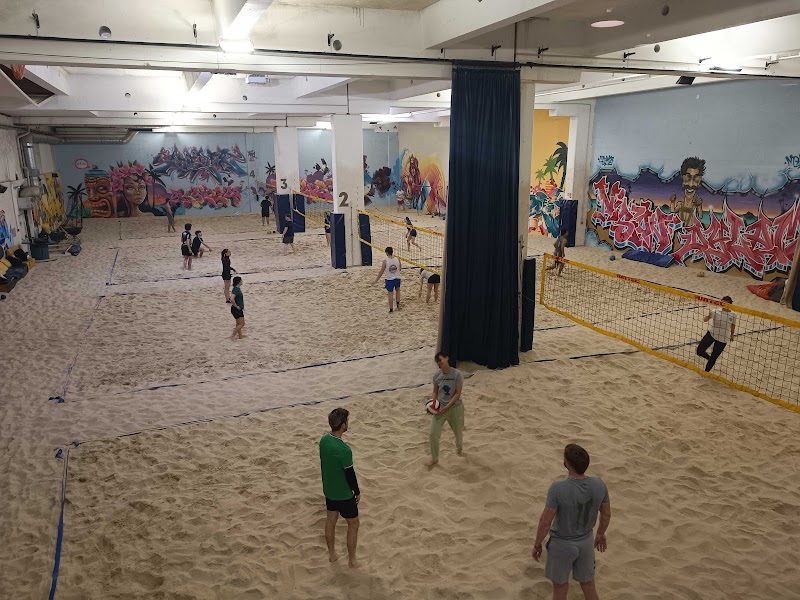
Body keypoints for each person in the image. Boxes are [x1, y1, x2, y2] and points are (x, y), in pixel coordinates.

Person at [532, 444, 611, 600]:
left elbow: (545, 522)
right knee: (588, 585)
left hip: (562, 544)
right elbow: (606, 514)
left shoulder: (557, 488)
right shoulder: (599, 484)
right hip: (586, 543)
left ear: (566, 464)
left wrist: (537, 544)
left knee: (560, 588)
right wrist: (600, 533)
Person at [319, 407, 361, 568]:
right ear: (343, 425)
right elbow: (350, 475)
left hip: (329, 491)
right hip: (344, 495)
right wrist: (357, 492)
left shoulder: (324, 440)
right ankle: (352, 560)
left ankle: (332, 554)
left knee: (330, 521)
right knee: (354, 524)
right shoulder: (344, 450)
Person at [426, 351, 464, 468]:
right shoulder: (437, 376)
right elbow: (435, 391)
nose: (439, 363)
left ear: (447, 358)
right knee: (433, 433)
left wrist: (448, 407)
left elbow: (457, 393)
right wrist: (433, 403)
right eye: (437, 362)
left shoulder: (457, 374)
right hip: (440, 409)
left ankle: (459, 450)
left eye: (440, 360)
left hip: (455, 408)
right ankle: (434, 459)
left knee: (458, 433)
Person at [696, 296, 736, 372]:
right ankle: (710, 359)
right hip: (712, 333)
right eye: (721, 303)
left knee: (714, 357)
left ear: (729, 304)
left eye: (724, 303)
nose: (722, 304)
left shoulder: (733, 314)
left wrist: (732, 334)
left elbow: (733, 325)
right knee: (699, 351)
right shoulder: (715, 311)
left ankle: (706, 372)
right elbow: (705, 320)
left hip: (723, 338)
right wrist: (708, 316)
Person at [372, 246, 401, 313]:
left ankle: (391, 309)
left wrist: (376, 280)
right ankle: (398, 305)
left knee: (390, 294)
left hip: (390, 279)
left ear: (387, 253)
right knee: (398, 291)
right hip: (397, 278)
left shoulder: (385, 261)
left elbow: (381, 271)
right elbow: (400, 269)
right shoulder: (398, 259)